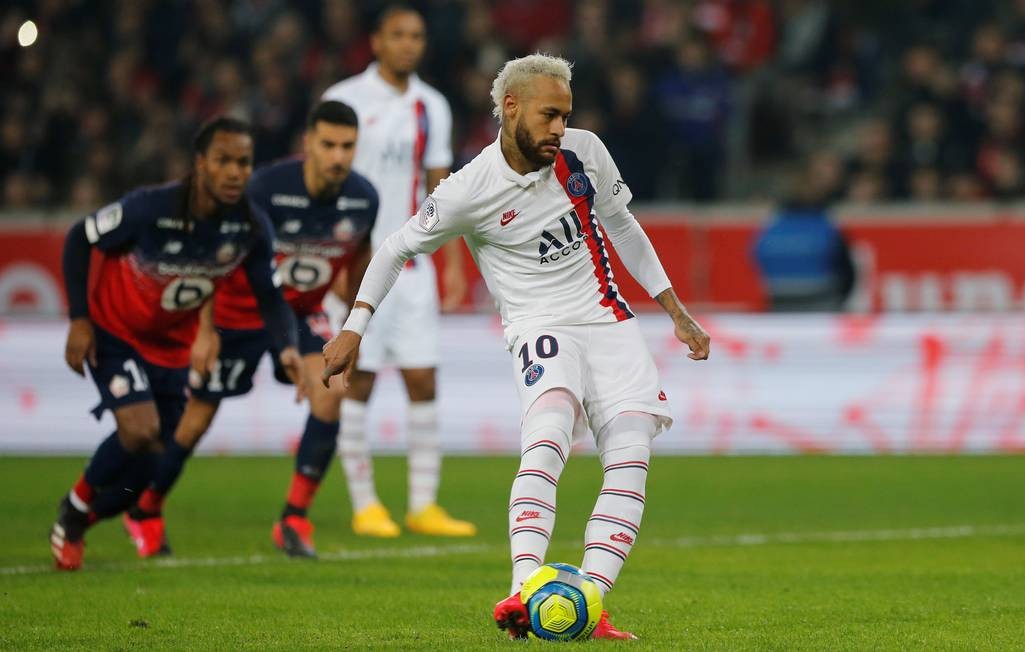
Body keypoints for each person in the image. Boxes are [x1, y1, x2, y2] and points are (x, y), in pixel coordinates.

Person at [321, 54, 710, 640]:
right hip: (538, 324)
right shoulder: (467, 190)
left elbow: (623, 226)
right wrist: (355, 325)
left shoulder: (585, 152)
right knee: (550, 433)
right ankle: (523, 587)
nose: (559, 128)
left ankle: (588, 601)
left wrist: (676, 312)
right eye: (549, 115)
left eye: (565, 116)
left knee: (631, 454)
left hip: (608, 320)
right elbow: (395, 249)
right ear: (511, 108)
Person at [122, 101, 379, 559]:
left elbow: (360, 257)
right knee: (196, 420)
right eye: (328, 145)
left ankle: (294, 519)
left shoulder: (364, 198)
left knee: (332, 392)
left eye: (347, 146)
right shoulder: (264, 189)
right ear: (308, 145)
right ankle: (146, 508)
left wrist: (349, 326)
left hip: (300, 313)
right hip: (235, 314)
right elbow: (209, 250)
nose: (338, 156)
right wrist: (204, 327)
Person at [51, 117, 301, 571]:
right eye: (223, 161)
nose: (234, 172)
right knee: (140, 431)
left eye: (243, 163)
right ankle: (74, 506)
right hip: (115, 331)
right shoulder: (150, 207)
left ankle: (83, 516)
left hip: (171, 346)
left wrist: (286, 346)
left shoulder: (250, 226)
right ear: (200, 164)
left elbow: (270, 294)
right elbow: (78, 238)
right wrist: (79, 319)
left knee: (156, 458)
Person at [321, 4, 474, 538]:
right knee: (358, 378)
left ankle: (422, 505)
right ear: (376, 41)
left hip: (414, 264)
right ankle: (365, 504)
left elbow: (443, 189)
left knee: (422, 377)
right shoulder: (344, 100)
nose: (409, 44)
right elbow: (324, 184)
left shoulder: (432, 106)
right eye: (399, 35)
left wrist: (452, 261)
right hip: (356, 263)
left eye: (417, 36)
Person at [752, 169, 856, 312]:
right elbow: (848, 273)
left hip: (780, 307)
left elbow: (757, 261)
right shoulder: (826, 226)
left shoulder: (770, 227)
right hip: (824, 306)